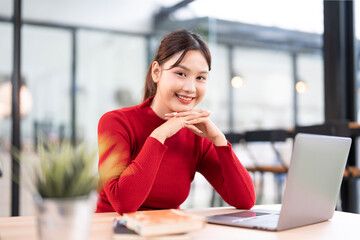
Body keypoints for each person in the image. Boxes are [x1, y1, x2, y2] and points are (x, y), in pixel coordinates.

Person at [96, 29, 255, 214]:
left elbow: (245, 200)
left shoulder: (196, 134)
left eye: (200, 78)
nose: (190, 88)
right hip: (112, 230)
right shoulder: (116, 122)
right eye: (180, 73)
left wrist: (219, 140)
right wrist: (160, 134)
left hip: (167, 230)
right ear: (157, 72)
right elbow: (123, 203)